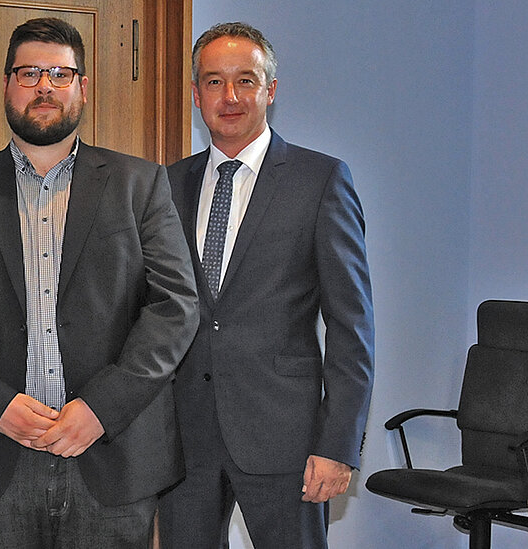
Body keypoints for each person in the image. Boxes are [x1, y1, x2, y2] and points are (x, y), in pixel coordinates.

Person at [0, 17, 199, 549]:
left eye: (60, 74)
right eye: (29, 73)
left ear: (82, 86)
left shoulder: (140, 184)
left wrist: (102, 408)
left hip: (112, 455)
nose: (45, 87)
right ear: (6, 84)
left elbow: (174, 307)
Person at [156, 22, 374, 549]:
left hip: (286, 440)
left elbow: (351, 325)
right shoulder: (166, 184)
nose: (229, 97)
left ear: (270, 90)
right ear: (196, 94)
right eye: (214, 81)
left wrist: (338, 443)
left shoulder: (320, 180)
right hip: (183, 440)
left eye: (245, 80)